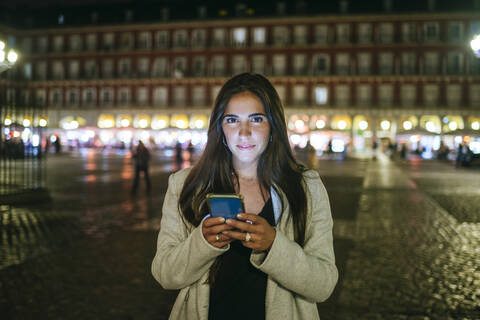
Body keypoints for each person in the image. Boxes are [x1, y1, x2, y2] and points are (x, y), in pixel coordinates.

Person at [151, 73, 337, 320]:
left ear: (273, 126)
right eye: (232, 120)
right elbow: (165, 274)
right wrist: (202, 243)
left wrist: (274, 245)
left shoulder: (306, 187)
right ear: (220, 128)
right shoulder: (186, 185)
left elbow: (323, 285)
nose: (244, 132)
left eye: (257, 119)